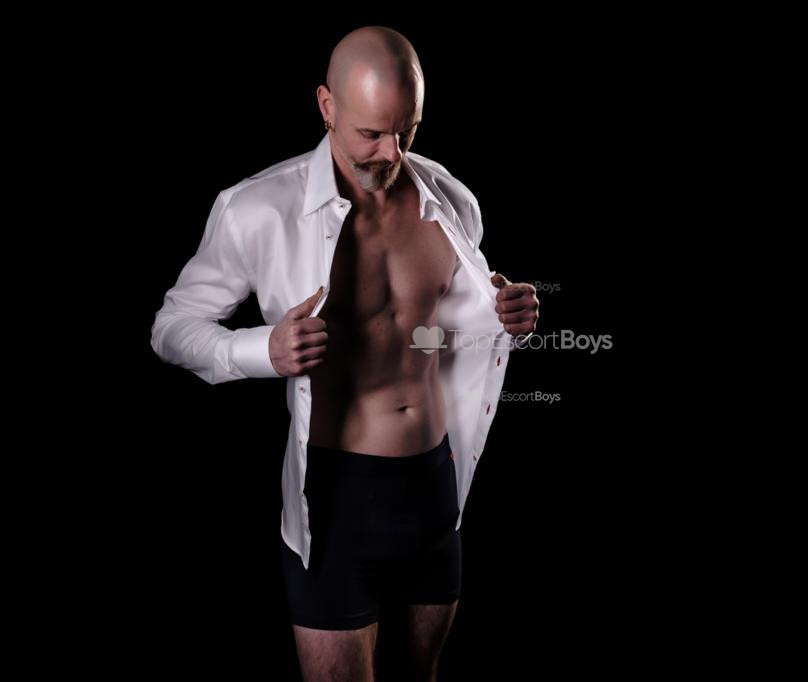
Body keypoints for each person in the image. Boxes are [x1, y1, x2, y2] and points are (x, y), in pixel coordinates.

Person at [150, 25, 539, 681]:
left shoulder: (451, 200)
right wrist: (263, 349)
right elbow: (172, 327)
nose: (393, 153)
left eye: (406, 131)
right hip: (336, 501)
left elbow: (440, 331)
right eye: (371, 133)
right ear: (327, 106)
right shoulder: (258, 209)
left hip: (435, 485)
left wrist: (505, 317)